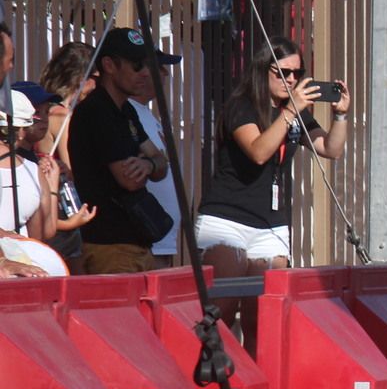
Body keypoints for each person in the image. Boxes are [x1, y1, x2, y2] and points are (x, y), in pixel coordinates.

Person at [196, 35, 350, 349]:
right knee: (222, 311)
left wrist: (340, 115)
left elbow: (330, 149)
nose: (291, 80)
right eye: (282, 72)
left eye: (297, 73)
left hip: (270, 224)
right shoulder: (242, 107)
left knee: (262, 317)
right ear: (262, 70)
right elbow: (258, 151)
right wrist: (290, 113)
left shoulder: (293, 111)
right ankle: (214, 385)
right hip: (227, 219)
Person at [67, 27, 173, 275]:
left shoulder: (127, 111)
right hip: (108, 245)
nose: (146, 73)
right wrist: (151, 164)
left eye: (148, 65)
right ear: (109, 65)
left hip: (136, 242)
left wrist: (148, 164)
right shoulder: (95, 111)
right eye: (137, 65)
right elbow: (129, 180)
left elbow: (161, 163)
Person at [35, 42, 101, 273]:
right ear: (80, 77)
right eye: (95, 77)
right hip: (63, 211)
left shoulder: (44, 110)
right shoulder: (63, 116)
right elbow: (74, 169)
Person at [130, 61, 184, 267]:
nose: (166, 74)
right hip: (144, 237)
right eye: (159, 67)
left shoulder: (144, 112)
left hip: (160, 235)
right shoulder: (128, 112)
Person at [1, 90, 59, 241]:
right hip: (18, 259)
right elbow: (44, 233)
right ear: (21, 131)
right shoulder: (32, 172)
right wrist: (52, 187)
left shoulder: (33, 169)